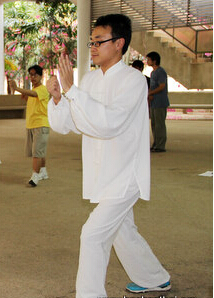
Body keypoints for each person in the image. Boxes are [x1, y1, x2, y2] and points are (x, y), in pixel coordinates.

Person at [46, 14, 170, 297]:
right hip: (102, 173)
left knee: (92, 235)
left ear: (119, 44)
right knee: (123, 232)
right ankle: (154, 277)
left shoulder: (134, 82)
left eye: (99, 41)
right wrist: (57, 98)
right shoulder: (88, 81)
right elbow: (69, 124)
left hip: (125, 174)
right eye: (91, 41)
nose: (92, 46)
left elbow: (108, 123)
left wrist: (72, 92)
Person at [9, 65, 50, 187]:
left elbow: (33, 94)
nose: (32, 77)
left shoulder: (42, 89)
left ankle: (35, 176)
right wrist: (24, 96)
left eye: (35, 75)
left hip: (41, 124)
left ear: (41, 76)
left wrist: (17, 88)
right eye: (31, 75)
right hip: (32, 124)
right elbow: (31, 98)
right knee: (39, 151)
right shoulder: (35, 90)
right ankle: (43, 172)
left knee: (37, 152)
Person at [146, 51, 169, 153]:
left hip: (160, 102)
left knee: (160, 124)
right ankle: (156, 143)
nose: (147, 61)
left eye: (149, 59)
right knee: (154, 124)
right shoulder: (153, 72)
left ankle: (161, 145)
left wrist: (150, 93)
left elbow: (161, 86)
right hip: (154, 102)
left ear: (154, 61)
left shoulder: (161, 72)